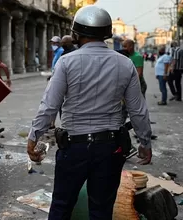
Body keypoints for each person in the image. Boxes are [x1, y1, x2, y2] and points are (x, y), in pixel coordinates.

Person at [26, 5, 152, 220]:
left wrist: (33, 137)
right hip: (111, 148)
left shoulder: (66, 62)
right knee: (101, 210)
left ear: (76, 33)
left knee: (61, 206)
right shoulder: (125, 63)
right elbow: (137, 110)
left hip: (74, 147)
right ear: (107, 33)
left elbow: (48, 106)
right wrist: (145, 143)